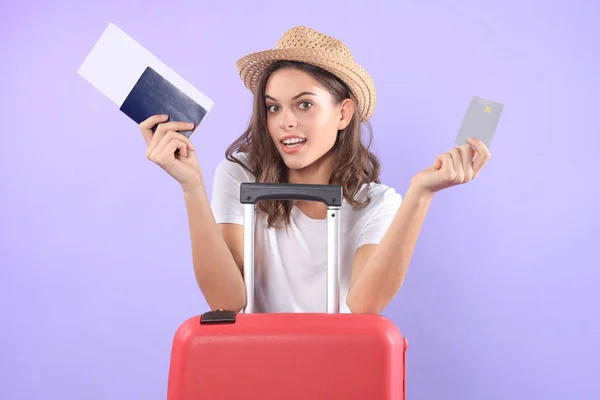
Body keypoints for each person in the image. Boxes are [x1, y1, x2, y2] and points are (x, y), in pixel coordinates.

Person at [138, 26, 491, 314]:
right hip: (255, 364)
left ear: (343, 113)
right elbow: (227, 302)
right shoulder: (240, 175)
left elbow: (365, 305)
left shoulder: (377, 204)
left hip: (334, 367)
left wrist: (421, 193)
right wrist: (192, 188)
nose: (285, 122)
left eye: (304, 104)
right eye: (273, 108)